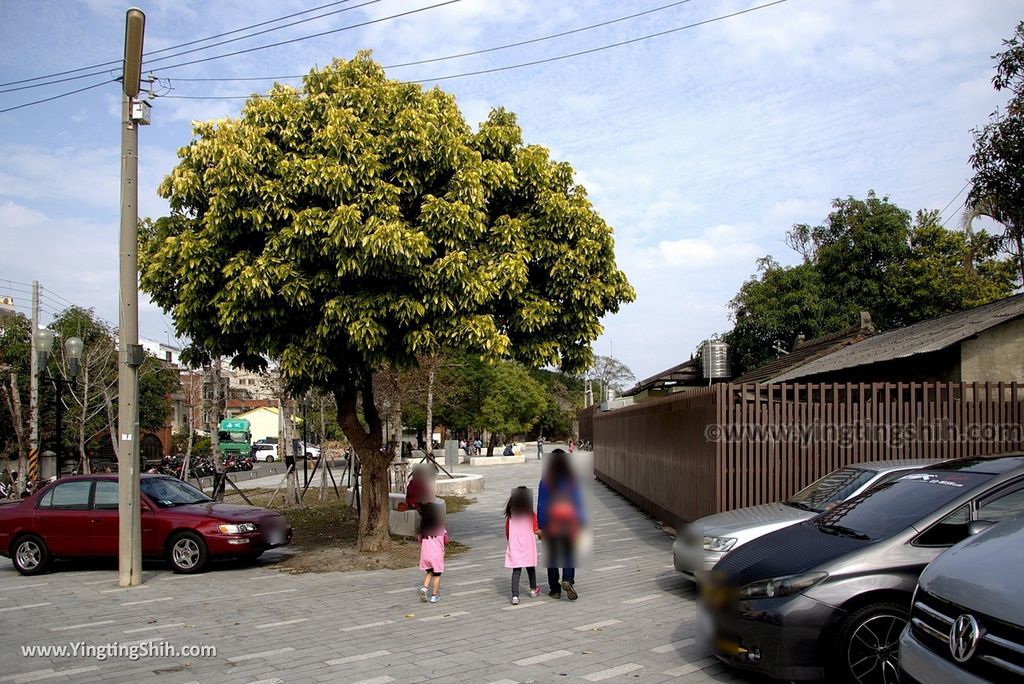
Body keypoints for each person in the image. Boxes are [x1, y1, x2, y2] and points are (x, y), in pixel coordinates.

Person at [537, 448, 585, 600]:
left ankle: (555, 589)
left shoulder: (546, 480)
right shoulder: (572, 479)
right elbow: (577, 501)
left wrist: (541, 526)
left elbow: (542, 504)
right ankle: (567, 579)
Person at [505, 486, 541, 605]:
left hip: (515, 545)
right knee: (530, 567)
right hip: (528, 545)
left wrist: (510, 541)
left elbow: (508, 531)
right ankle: (533, 589)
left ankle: (515, 595)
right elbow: (536, 529)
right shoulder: (531, 515)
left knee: (516, 570)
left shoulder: (511, 515)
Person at [417, 503, 448, 603]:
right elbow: (446, 540)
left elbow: (420, 540)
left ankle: (425, 588)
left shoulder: (423, 531)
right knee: (437, 575)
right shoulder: (440, 529)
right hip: (436, 555)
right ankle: (434, 595)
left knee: (429, 572)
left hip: (425, 555)